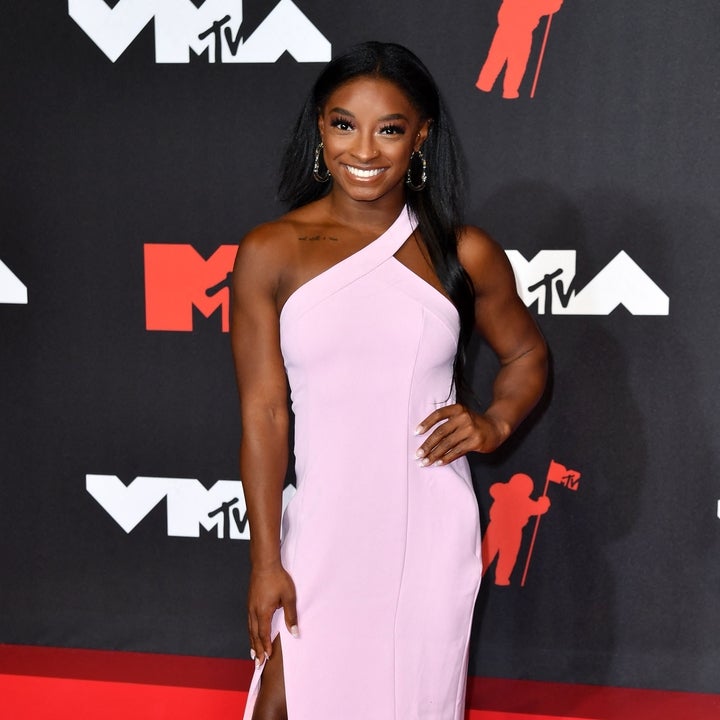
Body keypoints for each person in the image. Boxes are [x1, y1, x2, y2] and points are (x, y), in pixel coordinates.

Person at [231, 41, 548, 720]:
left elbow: (526, 355)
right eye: (345, 124)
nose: (365, 150)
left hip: (425, 526)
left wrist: (495, 422)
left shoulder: (462, 252)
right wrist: (265, 562)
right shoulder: (270, 251)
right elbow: (264, 415)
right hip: (323, 526)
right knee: (281, 705)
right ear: (320, 128)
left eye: (391, 129)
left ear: (421, 137)